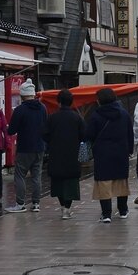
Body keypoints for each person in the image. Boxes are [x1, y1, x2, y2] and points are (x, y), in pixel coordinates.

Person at [87, 87, 134, 222]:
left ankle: (106, 214)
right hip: (120, 152)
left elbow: (89, 134)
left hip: (102, 153)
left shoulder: (96, 115)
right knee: (120, 181)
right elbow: (129, 134)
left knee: (104, 183)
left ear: (100, 100)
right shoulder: (124, 114)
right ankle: (123, 210)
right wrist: (130, 150)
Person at [5, 79, 48, 213]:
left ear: (22, 95)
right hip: (40, 146)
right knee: (36, 176)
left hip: (24, 147)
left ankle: (20, 203)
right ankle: (36, 203)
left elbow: (11, 130)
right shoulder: (43, 108)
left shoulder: (20, 109)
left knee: (20, 175)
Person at [43, 89, 85, 220]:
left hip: (56, 153)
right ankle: (67, 207)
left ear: (59, 102)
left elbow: (44, 134)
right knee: (71, 182)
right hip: (73, 154)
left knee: (58, 181)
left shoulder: (52, 117)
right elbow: (84, 135)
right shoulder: (77, 118)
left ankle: (62, 206)